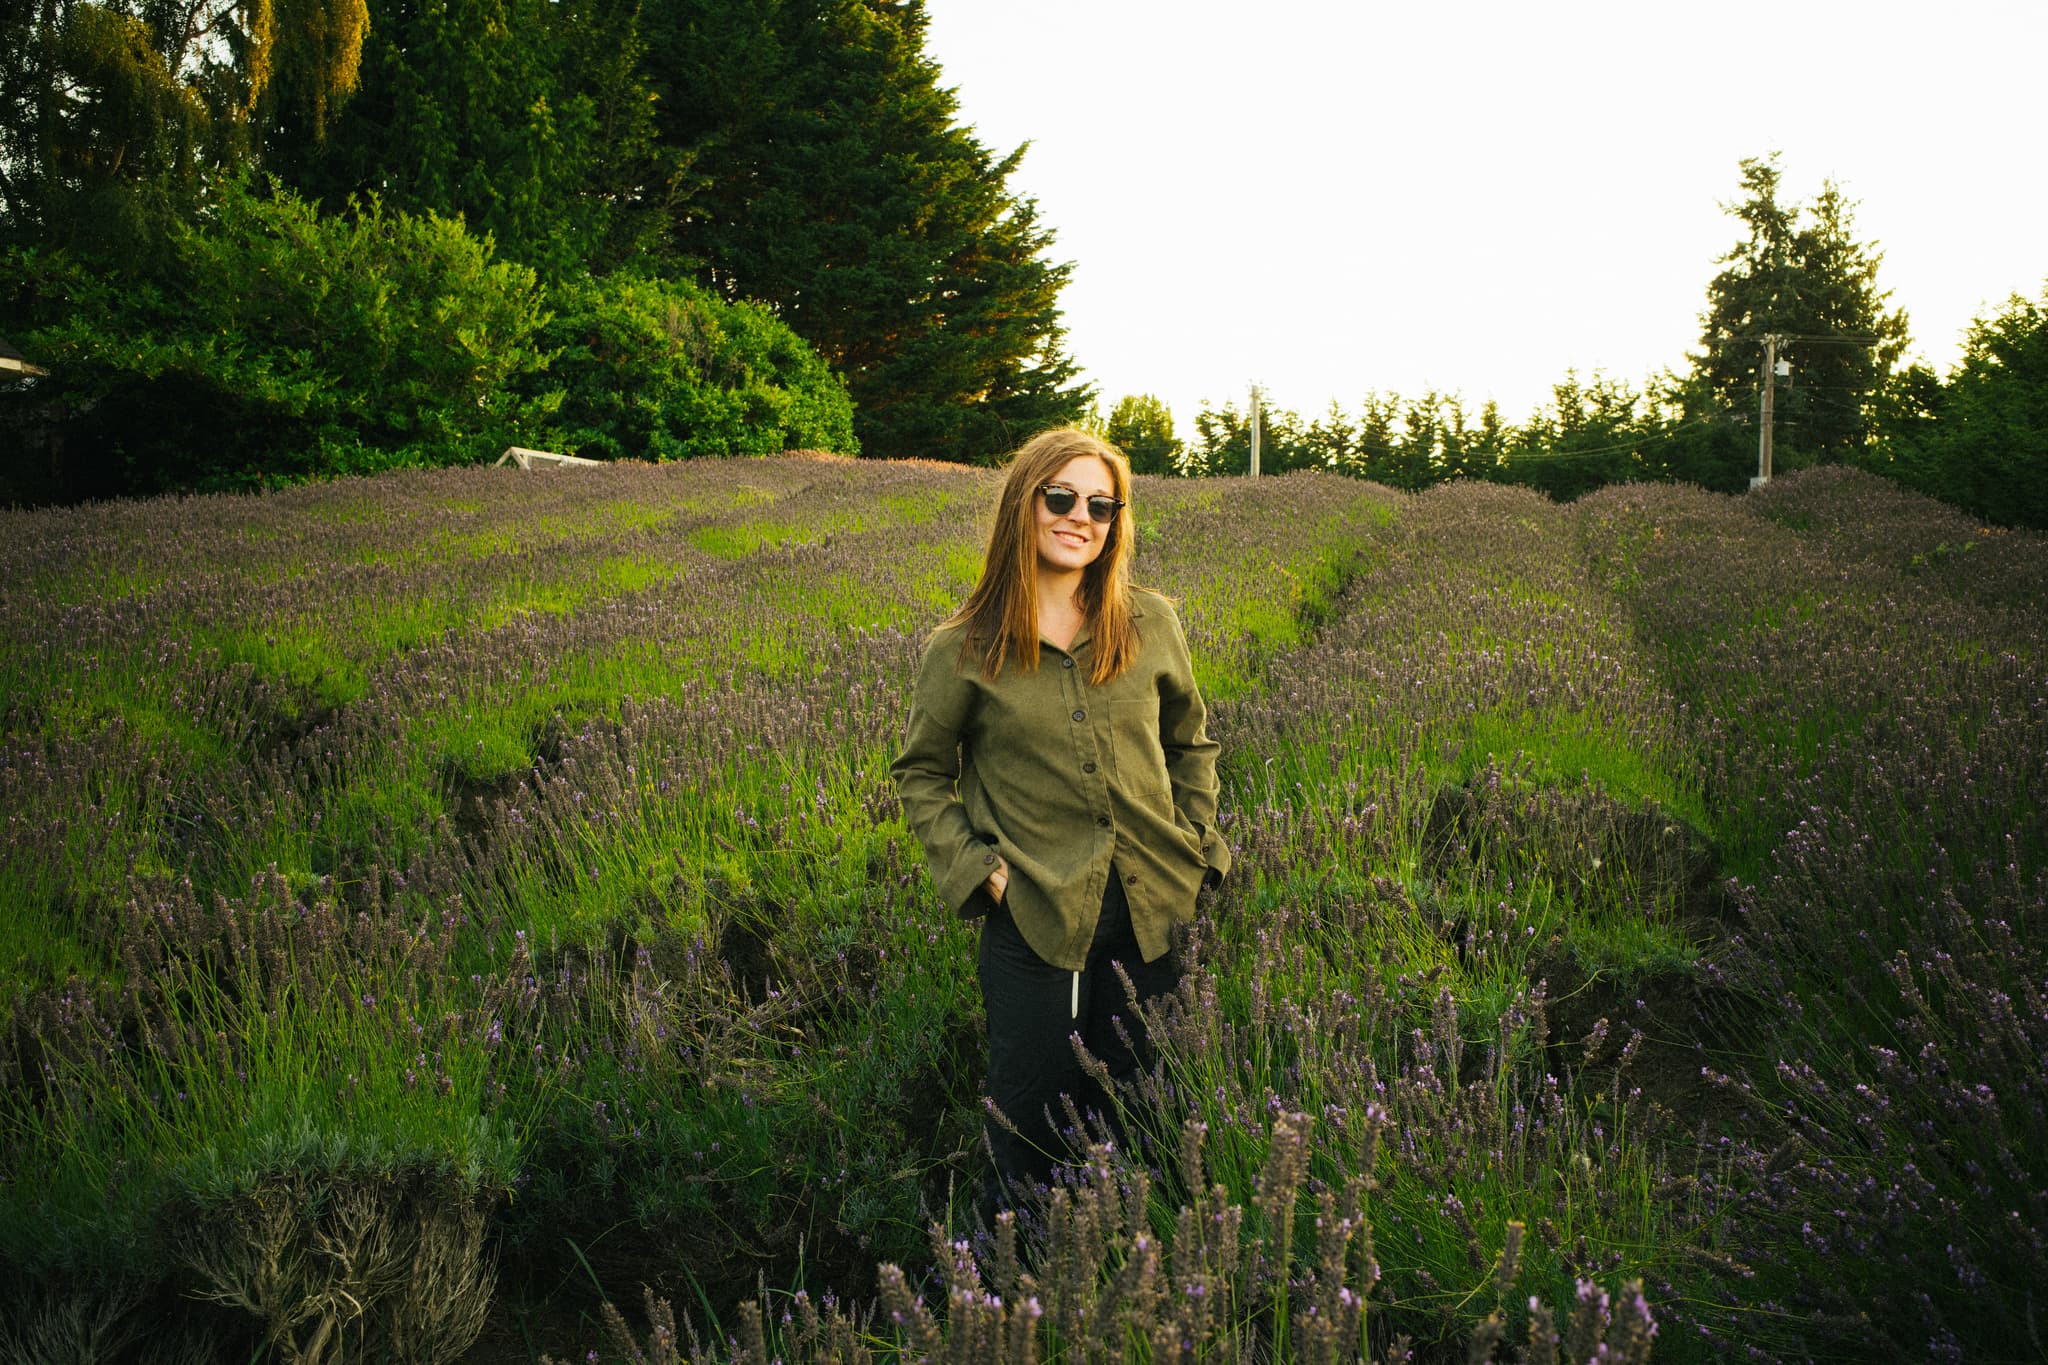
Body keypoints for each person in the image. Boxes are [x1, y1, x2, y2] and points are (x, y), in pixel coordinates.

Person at [890, 427, 1231, 1203]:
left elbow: (1192, 743)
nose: (1082, 516)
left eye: (1103, 506)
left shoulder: (1151, 624)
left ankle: (1139, 1278)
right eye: (1062, 498)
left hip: (1153, 900)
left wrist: (1199, 844)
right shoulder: (964, 648)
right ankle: (1020, 1291)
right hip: (1034, 907)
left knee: (1150, 1113)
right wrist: (979, 873)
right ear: (1025, 504)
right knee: (1027, 1124)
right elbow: (921, 773)